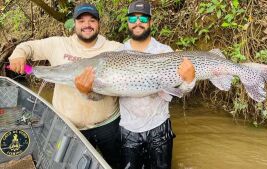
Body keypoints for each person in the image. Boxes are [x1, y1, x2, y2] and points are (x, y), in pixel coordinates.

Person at [75, 1, 196, 168]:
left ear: (150, 22)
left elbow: (180, 92)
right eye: (132, 19)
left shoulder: (165, 51)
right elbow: (103, 93)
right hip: (128, 130)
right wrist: (87, 91)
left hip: (160, 126)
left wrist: (189, 80)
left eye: (143, 19)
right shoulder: (116, 54)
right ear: (128, 23)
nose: (137, 23)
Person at [8, 3, 122, 168]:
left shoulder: (115, 48)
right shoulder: (58, 44)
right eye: (81, 21)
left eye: (92, 20)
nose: (87, 25)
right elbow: (29, 47)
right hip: (68, 127)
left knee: (115, 164)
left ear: (98, 24)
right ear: (74, 24)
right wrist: (18, 54)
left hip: (108, 126)